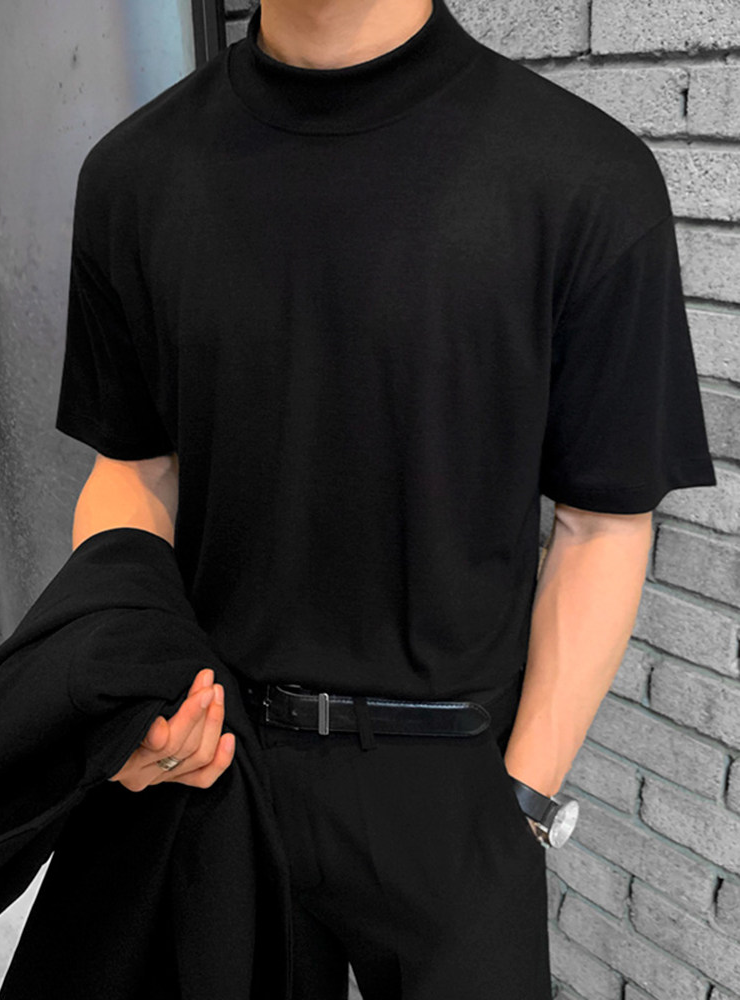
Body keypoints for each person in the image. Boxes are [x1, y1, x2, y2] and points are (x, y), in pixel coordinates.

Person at [53, 0, 717, 996]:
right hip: (217, 754)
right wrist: (132, 694)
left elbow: (604, 520)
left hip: (458, 784)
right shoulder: (134, 175)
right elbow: (134, 470)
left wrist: (523, 799)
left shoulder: (584, 176)